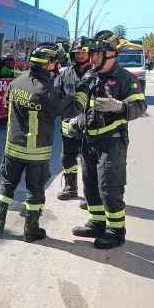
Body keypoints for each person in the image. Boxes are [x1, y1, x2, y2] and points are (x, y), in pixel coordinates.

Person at [0, 42, 95, 242]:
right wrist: (84, 87)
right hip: (37, 152)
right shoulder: (47, 91)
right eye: (54, 63)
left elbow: (6, 106)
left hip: (12, 148)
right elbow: (73, 108)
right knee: (35, 191)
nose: (57, 66)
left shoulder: (16, 83)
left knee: (6, 185)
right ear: (48, 64)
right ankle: (31, 230)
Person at [71, 30, 147, 249]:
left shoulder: (125, 78)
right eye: (92, 53)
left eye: (97, 54)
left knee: (109, 188)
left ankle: (115, 231)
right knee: (90, 186)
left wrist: (121, 107)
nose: (92, 58)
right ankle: (97, 223)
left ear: (112, 54)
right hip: (88, 141)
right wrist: (78, 120)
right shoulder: (90, 75)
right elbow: (81, 103)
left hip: (112, 142)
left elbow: (140, 106)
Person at [53, 37, 93, 200]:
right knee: (67, 157)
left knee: (89, 161)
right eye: (77, 52)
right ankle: (70, 188)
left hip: (90, 125)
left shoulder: (97, 73)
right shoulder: (66, 73)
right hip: (68, 125)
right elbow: (56, 93)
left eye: (84, 52)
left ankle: (91, 196)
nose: (80, 55)